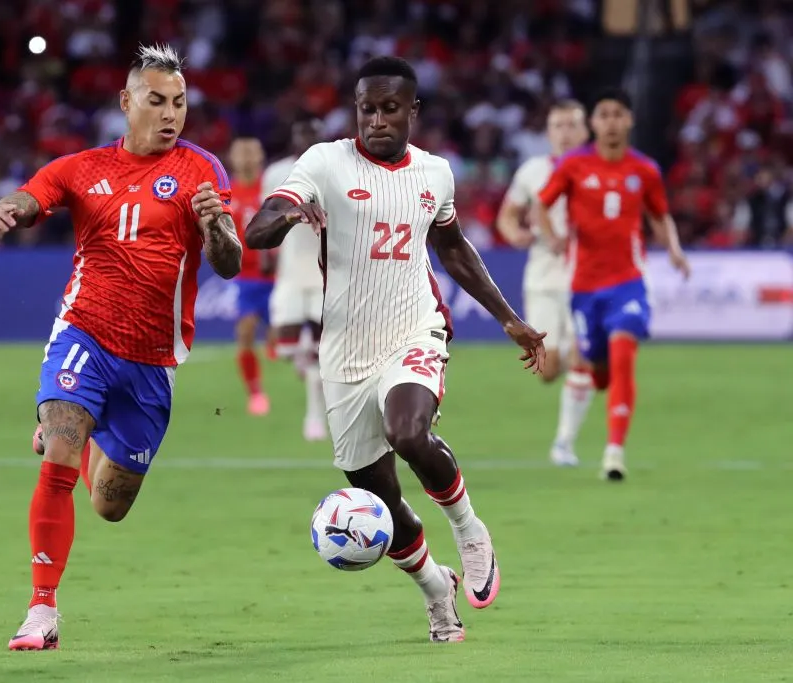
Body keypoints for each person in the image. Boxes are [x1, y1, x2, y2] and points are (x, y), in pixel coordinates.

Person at [244, 56, 546, 643]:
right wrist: (284, 220)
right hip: (344, 352)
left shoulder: (434, 173)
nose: (377, 120)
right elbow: (258, 229)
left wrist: (509, 319)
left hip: (414, 329)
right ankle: (437, 591)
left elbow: (454, 249)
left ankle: (468, 526)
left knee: (408, 432)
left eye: (389, 108)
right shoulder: (325, 162)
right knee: (376, 497)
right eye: (366, 109)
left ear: (413, 111)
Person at [0, 45, 242, 651]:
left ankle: (81, 427)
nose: (171, 114)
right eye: (156, 101)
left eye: (179, 103)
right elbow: (26, 199)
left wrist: (216, 226)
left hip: (154, 362)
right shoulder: (80, 168)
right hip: (85, 334)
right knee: (61, 454)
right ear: (126, 103)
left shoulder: (204, 172)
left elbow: (229, 265)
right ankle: (42, 610)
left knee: (109, 505)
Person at [536, 87, 690, 481]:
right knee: (598, 372)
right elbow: (541, 203)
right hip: (584, 289)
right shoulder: (572, 165)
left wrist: (673, 250)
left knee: (624, 355)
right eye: (603, 114)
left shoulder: (645, 170)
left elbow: (659, 215)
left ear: (629, 121)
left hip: (629, 283)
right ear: (593, 123)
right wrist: (552, 235)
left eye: (618, 114)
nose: (610, 122)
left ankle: (614, 452)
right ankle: (598, 398)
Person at [496, 100, 591, 467]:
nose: (565, 132)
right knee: (548, 369)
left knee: (581, 356)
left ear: (584, 131)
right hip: (543, 277)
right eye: (558, 125)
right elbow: (507, 216)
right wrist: (515, 234)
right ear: (549, 132)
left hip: (586, 276)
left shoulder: (595, 169)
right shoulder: (533, 171)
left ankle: (564, 443)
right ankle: (577, 364)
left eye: (571, 124)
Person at [260, 117, 327, 440]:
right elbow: (265, 215)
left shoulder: (332, 172)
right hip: (289, 270)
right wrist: (264, 255)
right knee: (285, 346)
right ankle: (304, 361)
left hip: (324, 271)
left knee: (319, 352)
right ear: (295, 136)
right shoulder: (276, 173)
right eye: (304, 132)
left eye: (313, 133)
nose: (308, 139)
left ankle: (314, 415)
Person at [227, 136, 273, 415]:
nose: (245, 158)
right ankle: (255, 393)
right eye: (240, 153)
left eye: (251, 153)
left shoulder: (270, 189)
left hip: (278, 277)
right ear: (232, 158)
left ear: (260, 156)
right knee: (244, 333)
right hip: (246, 277)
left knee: (282, 335)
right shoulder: (227, 192)